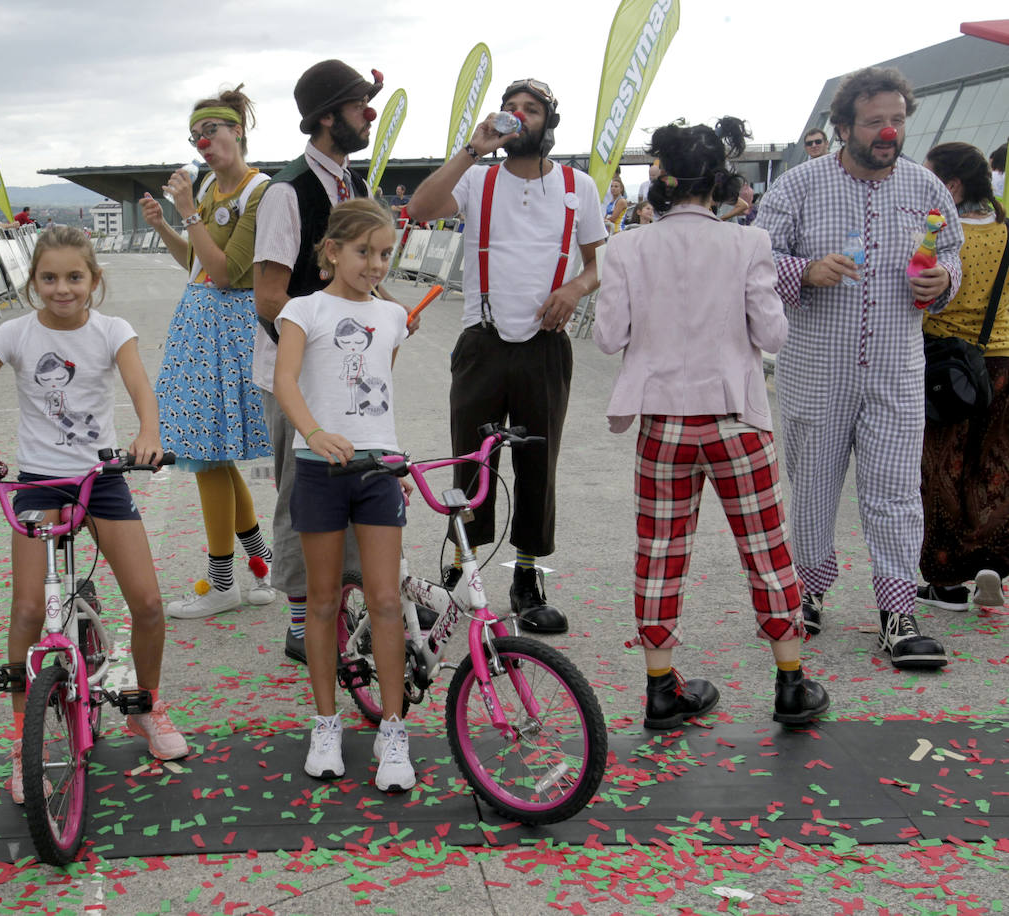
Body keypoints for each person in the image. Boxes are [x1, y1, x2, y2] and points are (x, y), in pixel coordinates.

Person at [594, 117, 830, 730]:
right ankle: (790, 683)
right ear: (721, 178)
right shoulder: (747, 244)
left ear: (660, 176)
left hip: (663, 424)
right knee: (767, 552)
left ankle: (660, 690)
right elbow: (772, 334)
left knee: (660, 553)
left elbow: (607, 337)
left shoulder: (626, 247)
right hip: (735, 418)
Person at [0, 225, 188, 793]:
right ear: (33, 283)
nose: (62, 288)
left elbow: (139, 388)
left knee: (148, 603)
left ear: (94, 282)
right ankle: (25, 736)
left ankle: (145, 704)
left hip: (101, 479)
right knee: (27, 612)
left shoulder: (111, 331)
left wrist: (148, 433)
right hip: (40, 485)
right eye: (49, 277)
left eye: (74, 277)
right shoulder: (15, 334)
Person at [754, 66, 962, 670]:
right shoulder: (798, 186)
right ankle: (809, 592)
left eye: (897, 119)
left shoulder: (926, 189)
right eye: (875, 122)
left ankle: (898, 614)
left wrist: (943, 278)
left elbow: (950, 253)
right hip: (816, 368)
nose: (889, 131)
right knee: (814, 486)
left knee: (897, 495)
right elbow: (756, 258)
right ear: (843, 127)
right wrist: (805, 271)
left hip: (897, 367)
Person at [406, 78, 607, 634]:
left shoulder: (578, 185)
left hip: (546, 345)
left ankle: (527, 575)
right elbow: (420, 209)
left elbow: (597, 264)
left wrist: (573, 291)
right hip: (483, 339)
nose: (519, 116)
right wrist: (474, 146)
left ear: (549, 122)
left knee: (539, 463)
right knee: (470, 462)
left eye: (531, 109)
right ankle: (458, 572)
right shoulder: (477, 178)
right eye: (511, 108)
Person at [272, 198, 414, 790]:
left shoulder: (397, 315)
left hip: (379, 471)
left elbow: (380, 382)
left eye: (384, 253)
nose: (375, 264)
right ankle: (325, 723)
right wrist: (314, 432)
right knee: (323, 602)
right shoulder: (303, 309)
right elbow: (285, 381)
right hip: (318, 470)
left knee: (385, 602)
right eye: (363, 252)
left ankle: (393, 729)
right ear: (332, 251)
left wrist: (380, 447)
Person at [253, 59, 387, 663]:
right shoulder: (286, 191)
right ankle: (305, 624)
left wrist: (387, 311)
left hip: (347, 373)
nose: (370, 115)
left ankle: (338, 609)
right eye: (361, 104)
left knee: (357, 487)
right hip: (296, 374)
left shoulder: (353, 188)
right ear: (328, 115)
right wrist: (318, 353)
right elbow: (269, 298)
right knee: (302, 500)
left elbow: (355, 287)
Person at [138, 84, 274, 619]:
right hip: (200, 327)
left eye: (211, 131)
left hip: (227, 331)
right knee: (210, 459)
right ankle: (259, 565)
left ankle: (224, 583)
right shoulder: (213, 191)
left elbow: (225, 273)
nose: (202, 143)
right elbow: (195, 263)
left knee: (210, 460)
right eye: (196, 135)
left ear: (237, 130)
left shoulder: (257, 191)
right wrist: (166, 225)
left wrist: (188, 210)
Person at [917, 142, 1009, 612]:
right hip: (1004, 362)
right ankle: (991, 560)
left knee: (941, 467)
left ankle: (947, 578)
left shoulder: (945, 240)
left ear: (950, 186)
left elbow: (926, 299)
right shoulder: (1008, 230)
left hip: (948, 365)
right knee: (992, 464)